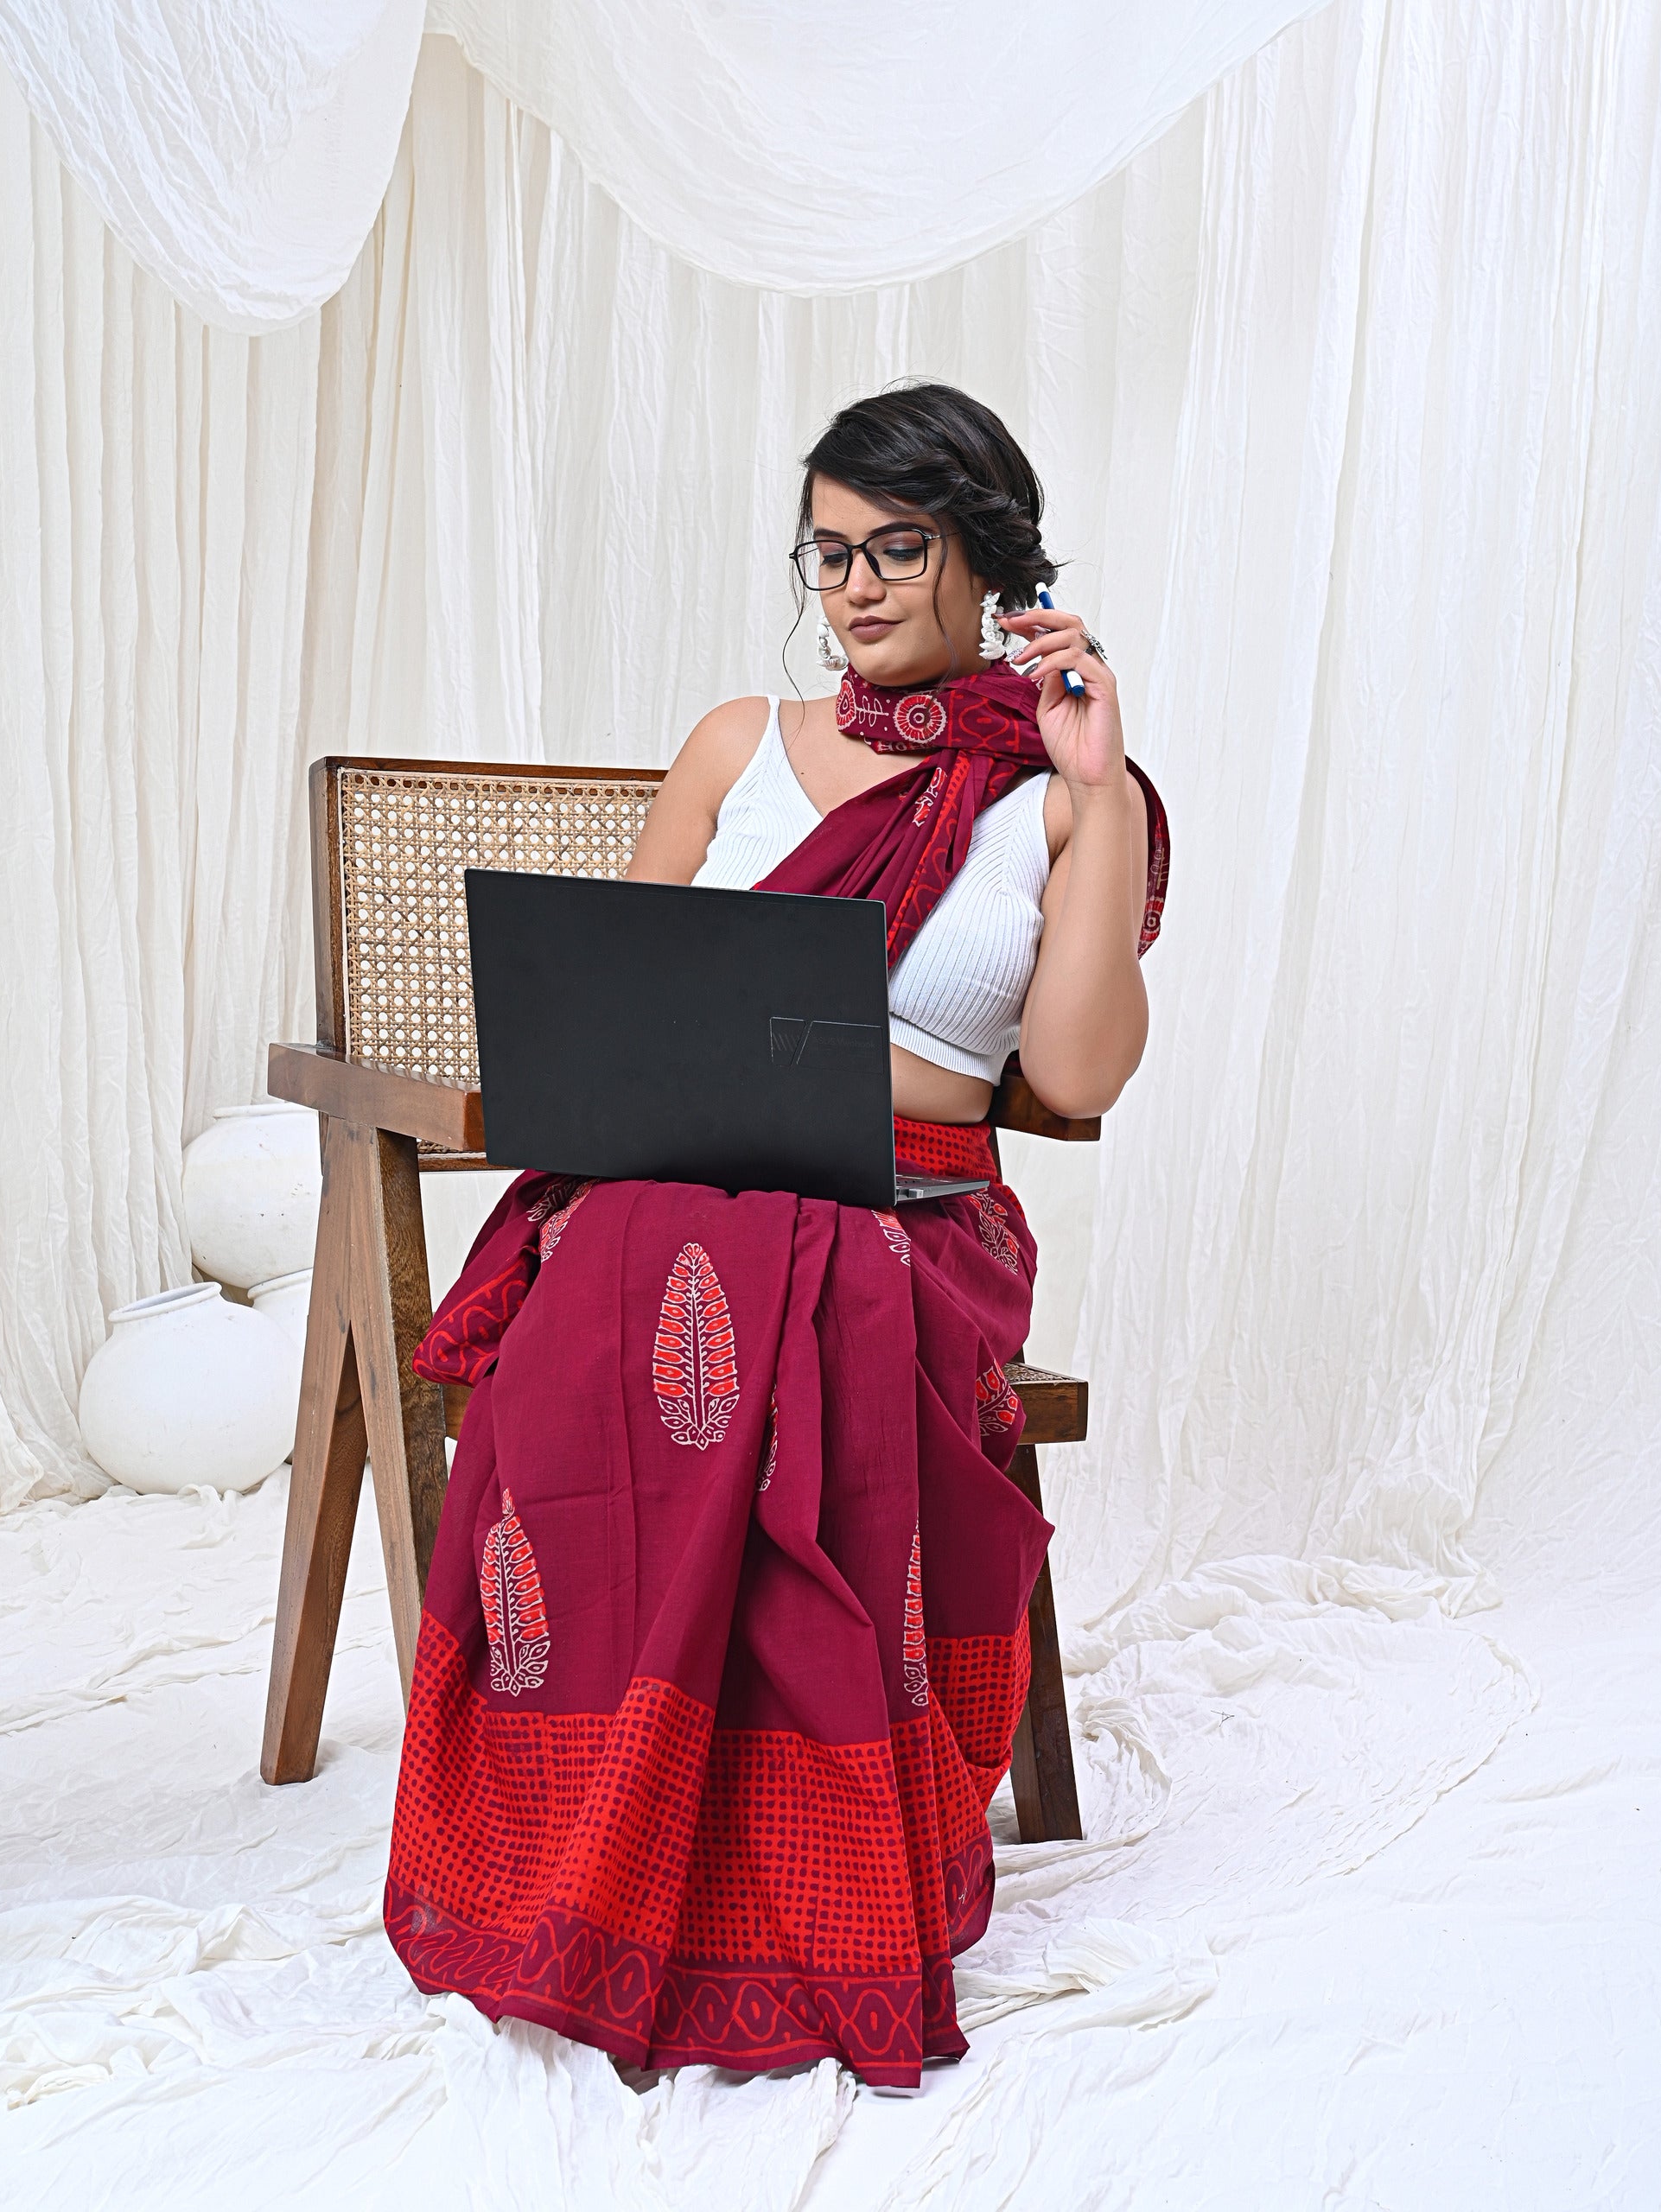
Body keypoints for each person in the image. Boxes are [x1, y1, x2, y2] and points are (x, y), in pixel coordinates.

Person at [384, 384, 1168, 2089]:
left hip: (912, 1209)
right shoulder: (738, 745)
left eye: (901, 547)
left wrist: (1095, 792)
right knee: (630, 1281)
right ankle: (593, 1837)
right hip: (684, 1173)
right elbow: (612, 998)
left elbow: (1077, 1067)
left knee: (826, 1296)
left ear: (993, 561)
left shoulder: (1053, 797)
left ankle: (785, 1862)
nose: (859, 586)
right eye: (831, 552)